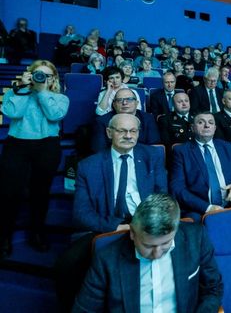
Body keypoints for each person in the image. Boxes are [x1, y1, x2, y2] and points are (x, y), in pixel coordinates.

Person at [57, 113, 168, 311]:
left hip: (145, 222)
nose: (128, 136)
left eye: (133, 131)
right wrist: (115, 226)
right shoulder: (88, 166)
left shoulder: (152, 156)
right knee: (67, 264)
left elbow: (162, 197)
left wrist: (144, 225)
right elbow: (81, 213)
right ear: (109, 133)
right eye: (122, 131)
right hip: (107, 224)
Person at [73, 193, 224, 312]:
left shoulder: (196, 238)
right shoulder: (106, 260)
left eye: (165, 244)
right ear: (132, 233)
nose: (157, 254)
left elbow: (213, 288)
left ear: (176, 230)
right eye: (148, 245)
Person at [0, 60, 69, 258]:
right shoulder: (16, 92)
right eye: (38, 74)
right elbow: (12, 112)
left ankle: (36, 232)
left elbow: (54, 115)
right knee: (9, 192)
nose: (41, 78)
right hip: (17, 145)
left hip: (47, 146)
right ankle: (4, 235)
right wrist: (23, 88)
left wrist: (42, 92)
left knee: (40, 192)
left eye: (47, 75)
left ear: (53, 79)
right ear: (29, 74)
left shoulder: (61, 98)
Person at [170, 112, 231, 220]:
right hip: (200, 209)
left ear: (214, 128)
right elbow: (177, 188)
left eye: (210, 122)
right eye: (201, 122)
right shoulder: (181, 151)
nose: (207, 125)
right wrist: (208, 208)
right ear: (192, 128)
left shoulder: (227, 147)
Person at [91, 88, 160, 153]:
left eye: (129, 99)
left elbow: (154, 146)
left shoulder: (148, 118)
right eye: (119, 100)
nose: (124, 103)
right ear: (114, 104)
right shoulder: (102, 121)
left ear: (137, 103)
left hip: (142, 158)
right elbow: (99, 150)